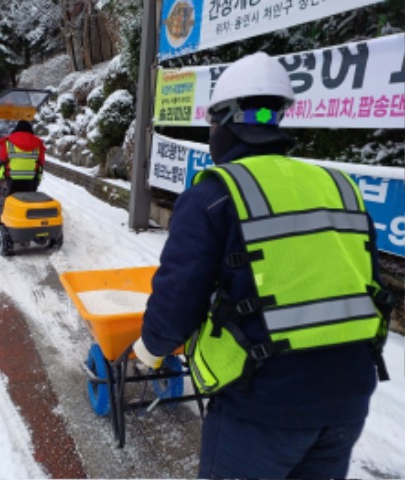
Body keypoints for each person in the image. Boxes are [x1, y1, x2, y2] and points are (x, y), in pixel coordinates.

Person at [132, 52, 392, 479]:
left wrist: (150, 349)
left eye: (213, 123)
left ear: (227, 123)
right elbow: (368, 286)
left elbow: (179, 296)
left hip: (263, 406)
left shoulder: (214, 194)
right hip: (348, 398)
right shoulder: (341, 187)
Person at [0, 120, 46, 198]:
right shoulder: (38, 144)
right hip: (31, 181)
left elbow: (2, 159)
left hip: (11, 180)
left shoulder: (8, 142)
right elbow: (41, 161)